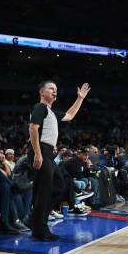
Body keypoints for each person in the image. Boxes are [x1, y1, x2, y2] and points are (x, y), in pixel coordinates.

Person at [28, 80, 90, 241]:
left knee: (60, 185)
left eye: (56, 89)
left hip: (48, 153)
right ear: (42, 92)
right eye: (51, 88)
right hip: (41, 151)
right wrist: (38, 153)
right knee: (45, 190)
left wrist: (80, 98)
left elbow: (69, 115)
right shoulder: (40, 107)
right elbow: (33, 128)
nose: (55, 91)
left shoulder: (51, 112)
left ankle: (35, 219)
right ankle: (40, 229)